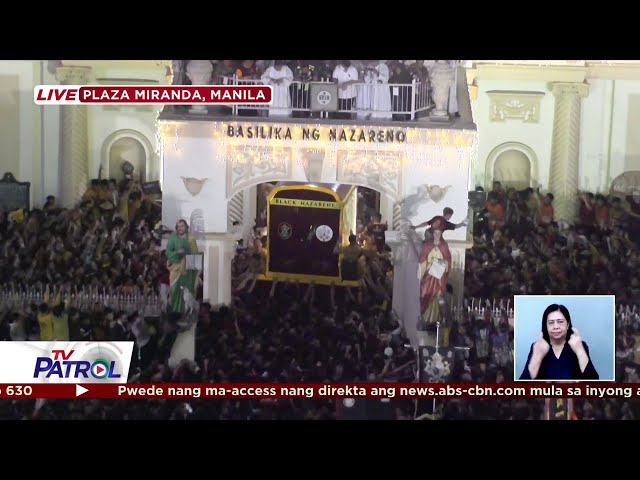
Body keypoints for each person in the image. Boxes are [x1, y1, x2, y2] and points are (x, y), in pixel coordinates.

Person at [519, 304, 599, 380]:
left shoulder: (580, 346)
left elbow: (595, 384)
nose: (556, 327)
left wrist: (580, 351)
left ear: (567, 325)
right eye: (551, 323)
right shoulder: (537, 347)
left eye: (560, 322)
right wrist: (537, 357)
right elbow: (521, 388)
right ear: (545, 326)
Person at [166, 219, 200, 314]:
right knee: (175, 290)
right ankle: (175, 312)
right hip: (176, 269)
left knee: (188, 293)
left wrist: (195, 275)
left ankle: (186, 314)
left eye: (182, 226)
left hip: (188, 271)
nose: (180, 228)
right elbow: (168, 252)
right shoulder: (173, 239)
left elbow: (195, 257)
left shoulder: (191, 240)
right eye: (178, 226)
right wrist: (177, 253)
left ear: (186, 227)